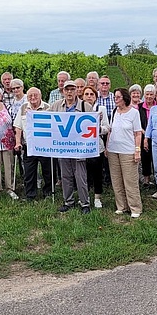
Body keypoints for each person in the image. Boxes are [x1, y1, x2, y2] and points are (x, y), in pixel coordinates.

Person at [50, 79, 92, 214]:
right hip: (63, 148)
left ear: (76, 91)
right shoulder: (56, 106)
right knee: (65, 176)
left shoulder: (86, 106)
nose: (69, 92)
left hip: (79, 147)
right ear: (63, 91)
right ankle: (68, 201)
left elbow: (92, 126)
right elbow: (44, 118)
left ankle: (85, 203)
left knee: (80, 176)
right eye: (67, 89)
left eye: (72, 89)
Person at [107, 87, 143, 218]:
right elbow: (110, 130)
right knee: (116, 180)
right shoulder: (115, 111)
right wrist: (107, 147)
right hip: (113, 150)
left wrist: (137, 150)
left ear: (125, 98)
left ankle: (135, 208)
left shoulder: (134, 113)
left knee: (130, 181)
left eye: (118, 97)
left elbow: (138, 133)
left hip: (128, 151)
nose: (115, 100)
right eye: (115, 97)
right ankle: (121, 206)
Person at [14, 87, 53, 201]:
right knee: (29, 172)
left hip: (44, 146)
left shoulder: (48, 108)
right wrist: (17, 142)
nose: (33, 97)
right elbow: (18, 126)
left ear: (40, 96)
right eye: (30, 95)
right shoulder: (23, 108)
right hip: (29, 146)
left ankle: (48, 193)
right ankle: (30, 195)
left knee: (47, 171)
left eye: (35, 95)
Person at [81, 85, 110, 208]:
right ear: (82, 96)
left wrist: (98, 129)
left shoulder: (100, 109)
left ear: (96, 97)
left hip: (97, 146)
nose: (89, 97)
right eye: (86, 94)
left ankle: (97, 197)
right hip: (81, 146)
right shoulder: (79, 109)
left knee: (97, 172)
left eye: (91, 94)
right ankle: (85, 196)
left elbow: (107, 128)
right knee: (84, 173)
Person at [137, 84, 156, 186]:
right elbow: (136, 122)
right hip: (143, 135)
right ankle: (146, 180)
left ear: (155, 95)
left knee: (156, 159)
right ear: (144, 95)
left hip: (156, 136)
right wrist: (145, 132)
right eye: (147, 94)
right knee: (145, 158)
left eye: (151, 94)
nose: (149, 96)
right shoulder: (139, 107)